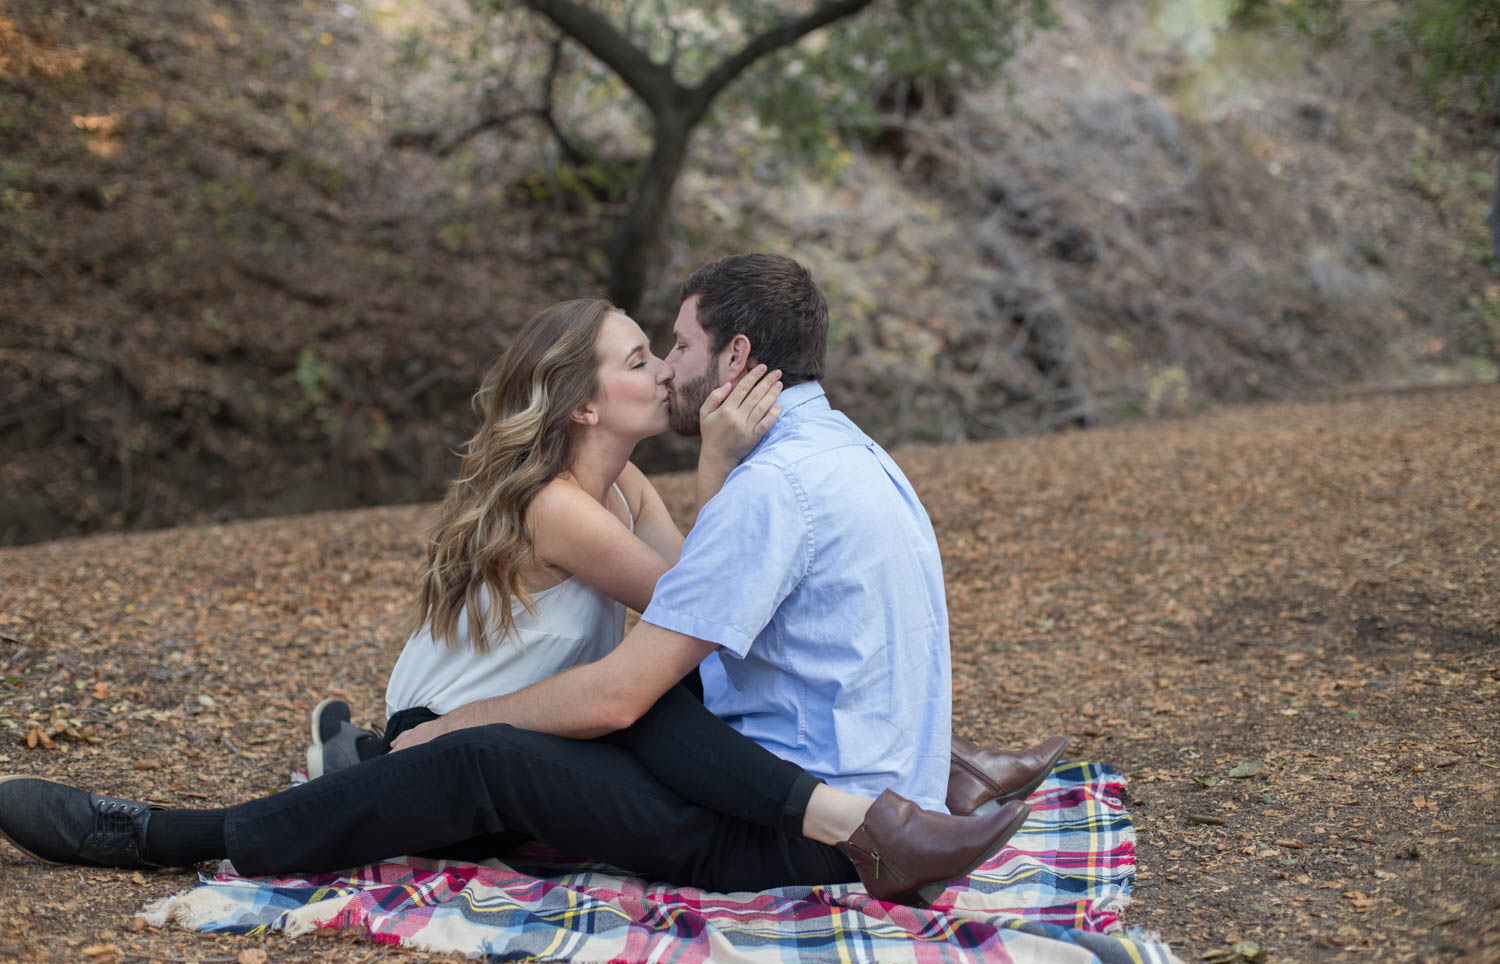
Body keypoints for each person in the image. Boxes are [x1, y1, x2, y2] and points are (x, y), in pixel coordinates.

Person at [0, 255, 1063, 905]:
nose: (666, 369)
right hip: (676, 757)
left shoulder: (763, 486)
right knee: (608, 709)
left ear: (734, 357)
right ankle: (330, 782)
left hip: (767, 828)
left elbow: (653, 659)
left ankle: (173, 836)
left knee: (561, 731)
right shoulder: (830, 455)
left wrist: (463, 737)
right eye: (643, 355)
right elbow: (686, 629)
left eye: (674, 347)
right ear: (584, 404)